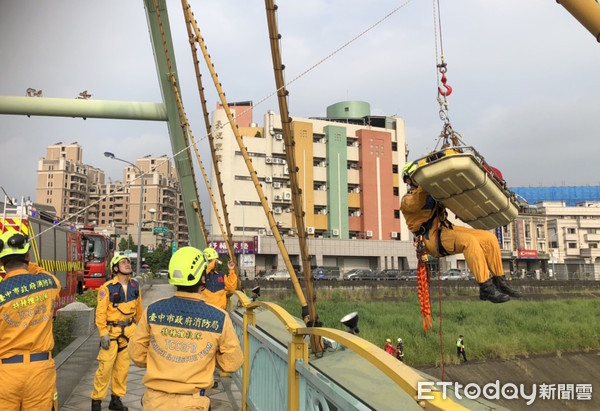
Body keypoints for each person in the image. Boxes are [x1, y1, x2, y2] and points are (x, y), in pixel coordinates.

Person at [129, 246, 244, 411]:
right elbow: (232, 363)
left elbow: (137, 356)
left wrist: (165, 361)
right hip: (193, 403)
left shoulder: (153, 312)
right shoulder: (219, 318)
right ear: (203, 279)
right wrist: (205, 358)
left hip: (154, 402)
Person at [400, 162, 522, 303]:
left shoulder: (434, 191)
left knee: (489, 238)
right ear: (408, 180)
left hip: (447, 229)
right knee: (469, 242)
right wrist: (426, 181)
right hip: (432, 238)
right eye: (416, 177)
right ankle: (485, 287)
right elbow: (417, 202)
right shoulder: (407, 200)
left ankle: (500, 280)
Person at [0, 231, 61, 410]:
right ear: (28, 256)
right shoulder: (47, 283)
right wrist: (30, 265)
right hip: (40, 371)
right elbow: (54, 281)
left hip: (5, 374)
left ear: (2, 263)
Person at [91, 254, 143, 411]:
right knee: (105, 369)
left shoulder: (135, 286)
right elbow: (100, 314)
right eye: (123, 263)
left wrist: (142, 332)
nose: (128, 264)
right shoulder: (106, 288)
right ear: (115, 268)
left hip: (128, 334)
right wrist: (103, 333)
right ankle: (96, 402)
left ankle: (116, 399)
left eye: (128, 262)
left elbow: (139, 312)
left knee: (122, 369)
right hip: (111, 334)